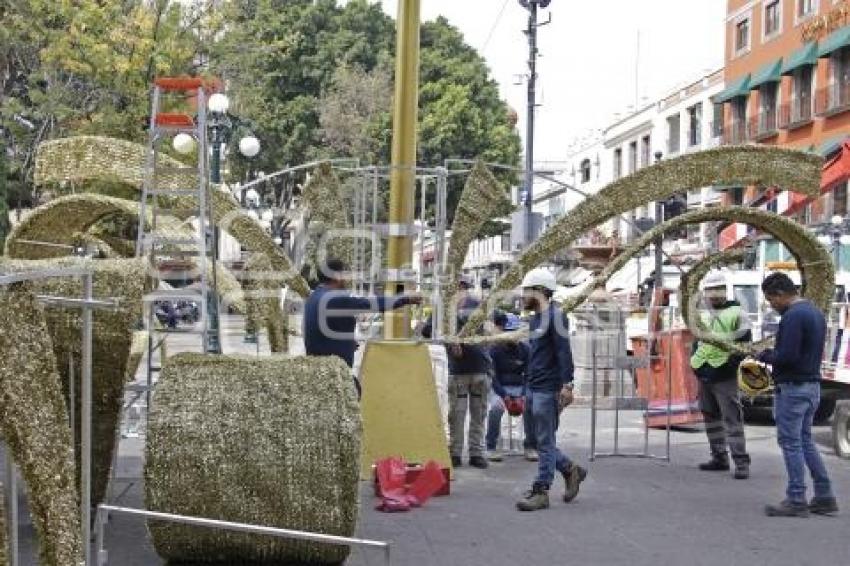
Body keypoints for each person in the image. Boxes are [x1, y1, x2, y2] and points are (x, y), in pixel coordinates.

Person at [758, 272, 838, 517]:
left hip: (793, 387)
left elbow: (788, 357)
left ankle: (796, 498)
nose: (772, 305)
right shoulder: (814, 312)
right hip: (811, 385)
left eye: (771, 300)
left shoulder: (793, 316)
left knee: (791, 443)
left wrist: (765, 356)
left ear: (780, 294)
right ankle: (824, 495)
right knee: (804, 441)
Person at [516, 268, 587, 512]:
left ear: (539, 291)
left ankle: (541, 490)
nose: (522, 296)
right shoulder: (535, 318)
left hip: (548, 388)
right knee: (536, 441)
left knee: (545, 442)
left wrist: (567, 385)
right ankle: (569, 469)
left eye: (526, 291)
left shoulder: (557, 316)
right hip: (532, 386)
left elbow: (563, 352)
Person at [302, 258, 421, 395]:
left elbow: (326, 328)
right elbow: (371, 303)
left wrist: (348, 342)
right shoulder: (334, 299)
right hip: (332, 376)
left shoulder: (313, 297)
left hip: (319, 371)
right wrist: (406, 298)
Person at [422, 276, 492, 469]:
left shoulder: (478, 305)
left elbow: (489, 331)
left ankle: (477, 452)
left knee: (478, 414)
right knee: (456, 414)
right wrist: (448, 340)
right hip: (457, 370)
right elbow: (427, 331)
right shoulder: (442, 309)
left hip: (480, 367)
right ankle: (455, 452)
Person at [689, 271, 752, 479]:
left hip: (724, 374)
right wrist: (696, 365)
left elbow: (744, 345)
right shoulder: (702, 312)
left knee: (731, 418)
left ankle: (741, 462)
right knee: (710, 417)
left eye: (718, 290)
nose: (714, 295)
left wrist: (729, 365)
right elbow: (697, 340)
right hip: (704, 371)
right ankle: (719, 457)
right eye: (710, 290)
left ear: (725, 290)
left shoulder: (737, 312)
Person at [486, 311, 534, 462]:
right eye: (509, 332)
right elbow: (493, 377)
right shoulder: (494, 350)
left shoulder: (526, 349)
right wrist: (504, 396)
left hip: (519, 387)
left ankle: (530, 446)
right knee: (496, 408)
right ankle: (491, 447)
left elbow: (529, 375)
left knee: (531, 404)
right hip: (499, 388)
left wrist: (525, 395)